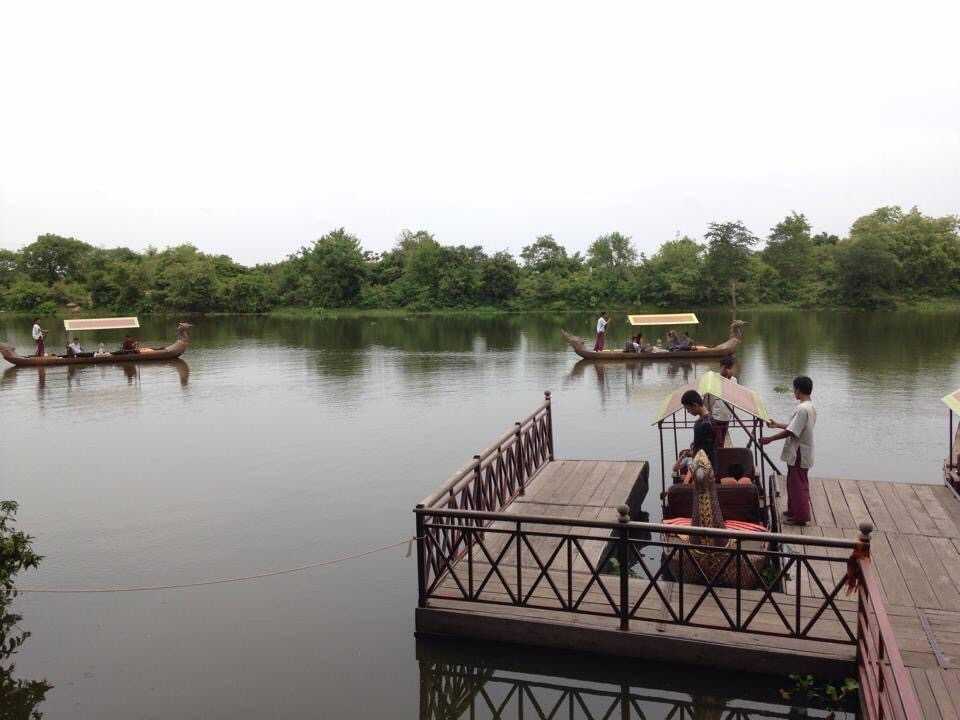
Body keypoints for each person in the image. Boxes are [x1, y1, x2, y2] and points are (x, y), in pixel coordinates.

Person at [761, 376, 816, 526]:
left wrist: (770, 439)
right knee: (793, 482)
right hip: (801, 450)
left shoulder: (803, 409)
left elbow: (792, 431)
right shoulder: (809, 406)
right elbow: (795, 426)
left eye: (794, 389)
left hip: (799, 452)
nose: (794, 392)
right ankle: (793, 510)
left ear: (798, 389)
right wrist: (777, 424)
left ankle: (800, 517)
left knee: (798, 484)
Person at [672, 389, 716, 476]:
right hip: (711, 464)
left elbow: (700, 451)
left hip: (702, 469)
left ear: (695, 405)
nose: (688, 412)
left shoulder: (701, 424)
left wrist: (688, 454)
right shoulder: (711, 420)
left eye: (688, 409)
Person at [707, 355, 738, 448]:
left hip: (727, 416)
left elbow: (734, 397)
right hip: (715, 417)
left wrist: (728, 379)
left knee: (722, 440)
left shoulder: (734, 380)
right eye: (729, 368)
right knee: (718, 442)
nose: (731, 371)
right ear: (723, 367)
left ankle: (719, 454)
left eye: (731, 368)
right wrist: (708, 413)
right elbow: (707, 399)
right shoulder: (713, 379)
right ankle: (716, 455)